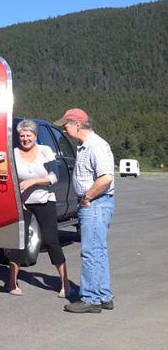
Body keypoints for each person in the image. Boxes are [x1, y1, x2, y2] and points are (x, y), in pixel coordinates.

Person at [55, 108, 115, 314]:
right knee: (98, 251)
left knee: (90, 251)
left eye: (66, 124)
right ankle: (104, 295)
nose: (64, 129)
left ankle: (90, 298)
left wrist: (88, 197)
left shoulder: (95, 145)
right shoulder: (84, 146)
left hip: (95, 203)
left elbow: (106, 177)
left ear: (78, 125)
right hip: (95, 203)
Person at [6, 119, 69, 297]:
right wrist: (17, 196)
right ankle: (11, 283)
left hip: (44, 200)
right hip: (23, 204)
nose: (25, 139)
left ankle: (64, 283)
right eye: (22, 136)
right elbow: (8, 179)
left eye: (29, 135)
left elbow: (54, 176)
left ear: (35, 136)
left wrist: (33, 181)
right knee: (18, 242)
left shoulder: (45, 151)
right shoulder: (14, 154)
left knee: (51, 241)